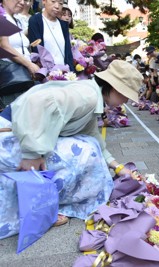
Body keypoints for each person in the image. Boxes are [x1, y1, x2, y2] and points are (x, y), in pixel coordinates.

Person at [0, 60, 143, 238]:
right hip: (9, 137)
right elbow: (37, 101)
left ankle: (52, 201)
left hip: (21, 133)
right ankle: (50, 203)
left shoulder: (92, 95)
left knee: (90, 145)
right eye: (126, 95)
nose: (126, 101)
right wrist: (32, 153)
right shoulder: (87, 96)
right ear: (115, 88)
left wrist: (117, 167)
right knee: (85, 152)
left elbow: (92, 135)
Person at [0, 0, 40, 107]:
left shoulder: (16, 20)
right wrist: (29, 64)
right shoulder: (1, 16)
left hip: (22, 77)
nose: (22, 2)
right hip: (9, 78)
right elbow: (4, 46)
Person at [28, 0, 74, 71]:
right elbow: (36, 50)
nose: (57, 6)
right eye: (53, 1)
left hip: (65, 73)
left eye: (60, 4)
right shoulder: (35, 21)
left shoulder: (63, 25)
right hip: (46, 73)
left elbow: (68, 53)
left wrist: (71, 72)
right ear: (44, 1)